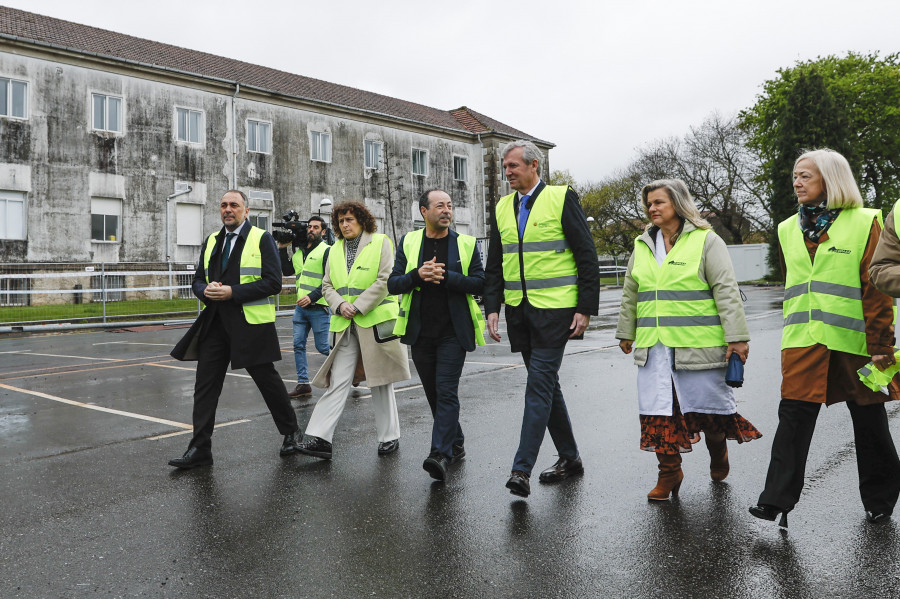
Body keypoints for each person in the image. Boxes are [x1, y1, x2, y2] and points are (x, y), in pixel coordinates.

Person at [750, 149, 900, 527]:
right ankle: (774, 500)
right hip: (802, 342)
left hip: (859, 345)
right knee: (793, 419)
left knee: (869, 421)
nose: (797, 182)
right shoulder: (786, 228)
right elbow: (794, 284)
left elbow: (877, 290)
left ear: (830, 180)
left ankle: (880, 501)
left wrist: (882, 346)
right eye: (795, 176)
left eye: (806, 176)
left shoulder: (867, 222)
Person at [616, 179, 761, 501]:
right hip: (654, 347)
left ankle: (718, 450)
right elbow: (631, 294)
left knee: (709, 411)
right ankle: (669, 473)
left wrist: (737, 339)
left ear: (678, 205)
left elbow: (726, 290)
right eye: (649, 204)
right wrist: (626, 331)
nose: (652, 209)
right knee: (659, 410)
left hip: (699, 346)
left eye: (659, 203)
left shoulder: (707, 241)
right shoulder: (642, 245)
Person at [484, 140, 599, 498]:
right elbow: (495, 263)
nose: (507, 173)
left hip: (556, 311)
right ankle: (571, 457)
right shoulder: (503, 207)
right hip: (520, 311)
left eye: (513, 166)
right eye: (504, 167)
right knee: (546, 385)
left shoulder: (561, 198)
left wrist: (584, 307)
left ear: (535, 165)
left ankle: (521, 470)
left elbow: (586, 255)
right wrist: (492, 307)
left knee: (537, 387)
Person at [168, 190, 301, 468]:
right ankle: (200, 448)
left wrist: (232, 292)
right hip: (215, 323)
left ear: (246, 210)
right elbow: (197, 280)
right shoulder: (212, 240)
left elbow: (273, 283)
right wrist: (207, 290)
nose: (228, 209)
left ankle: (291, 432)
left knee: (267, 381)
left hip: (249, 323)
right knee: (204, 386)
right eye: (224, 205)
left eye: (234, 205)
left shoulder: (261, 238)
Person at [296, 201, 410, 459]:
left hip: (375, 321)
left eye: (349, 219)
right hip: (344, 323)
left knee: (380, 382)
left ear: (362, 220)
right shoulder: (334, 249)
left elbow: (385, 280)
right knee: (338, 381)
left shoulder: (381, 242)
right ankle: (321, 438)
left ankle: (389, 438)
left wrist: (357, 306)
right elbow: (326, 286)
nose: (344, 224)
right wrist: (340, 305)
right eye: (340, 221)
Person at [388, 188, 486, 481]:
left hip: (453, 333)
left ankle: (439, 453)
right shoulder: (409, 241)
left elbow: (480, 283)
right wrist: (418, 275)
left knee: (446, 391)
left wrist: (447, 277)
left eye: (450, 206)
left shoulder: (466, 244)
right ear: (424, 212)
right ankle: (456, 442)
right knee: (433, 392)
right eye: (440, 206)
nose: (447, 210)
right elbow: (393, 284)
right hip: (420, 332)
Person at [278, 216, 332, 399]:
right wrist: (282, 248)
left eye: (316, 227)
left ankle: (352, 371)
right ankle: (303, 384)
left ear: (323, 232)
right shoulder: (299, 252)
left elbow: (330, 281)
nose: (311, 229)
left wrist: (312, 297)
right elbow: (287, 271)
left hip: (319, 308)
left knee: (323, 347)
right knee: (298, 345)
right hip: (301, 309)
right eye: (309, 227)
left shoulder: (327, 251)